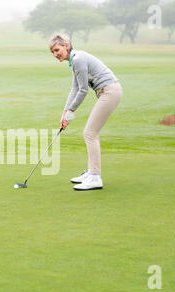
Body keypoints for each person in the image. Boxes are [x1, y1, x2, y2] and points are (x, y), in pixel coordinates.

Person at [49, 34, 123, 191]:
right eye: (53, 52)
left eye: (57, 50)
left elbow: (83, 90)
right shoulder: (74, 61)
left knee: (90, 133)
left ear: (66, 45)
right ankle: (91, 173)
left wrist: (71, 113)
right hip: (106, 92)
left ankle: (95, 177)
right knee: (90, 133)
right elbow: (75, 88)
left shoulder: (78, 59)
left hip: (110, 91)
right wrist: (64, 112)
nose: (56, 54)